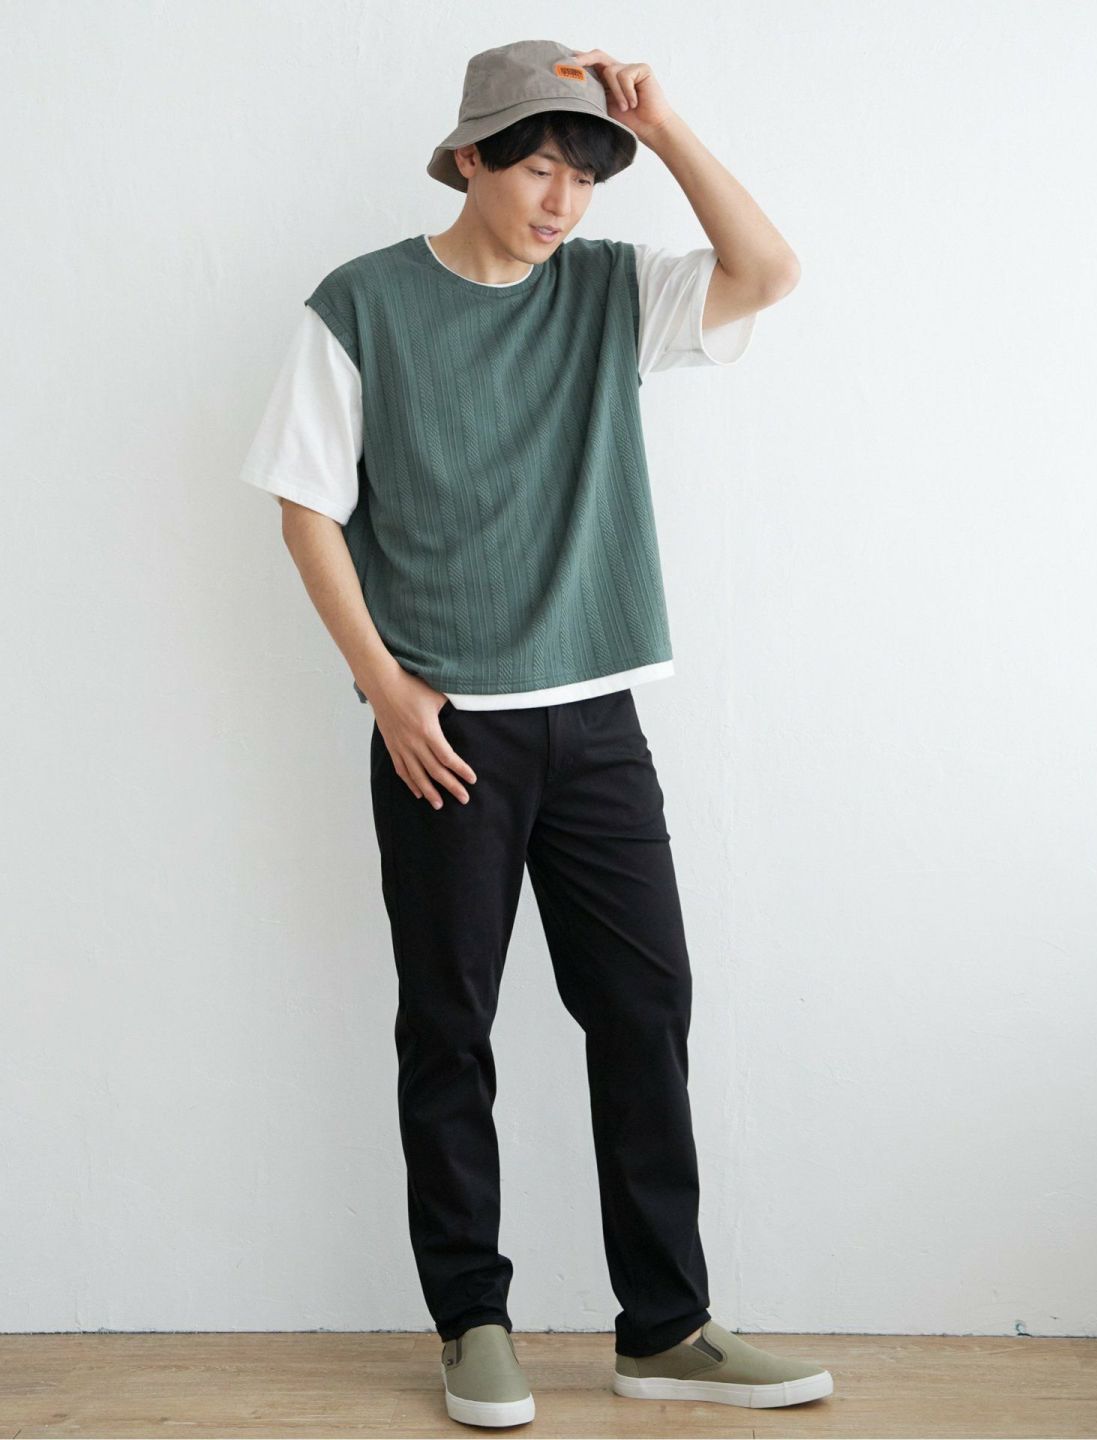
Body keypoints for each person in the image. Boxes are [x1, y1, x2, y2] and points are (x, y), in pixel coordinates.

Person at [240, 37, 833, 1429]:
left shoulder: (609, 293)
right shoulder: (362, 304)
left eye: (585, 176)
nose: (563, 201)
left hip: (598, 718)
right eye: (539, 168)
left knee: (644, 1009)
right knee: (450, 1027)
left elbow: (767, 273)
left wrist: (663, 128)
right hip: (445, 732)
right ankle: (473, 1321)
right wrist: (385, 687)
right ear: (470, 159)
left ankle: (666, 1327)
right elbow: (306, 505)